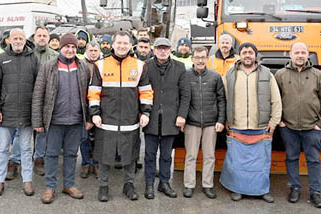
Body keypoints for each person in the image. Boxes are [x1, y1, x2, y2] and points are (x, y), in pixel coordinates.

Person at [88, 31, 154, 202]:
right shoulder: (101, 65)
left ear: (130, 45)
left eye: (125, 43)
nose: (122, 46)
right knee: (105, 155)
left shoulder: (139, 65)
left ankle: (129, 185)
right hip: (106, 120)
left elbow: (146, 91)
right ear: (113, 44)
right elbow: (94, 92)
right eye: (119, 43)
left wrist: (146, 112)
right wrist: (94, 114)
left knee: (130, 155)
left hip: (130, 120)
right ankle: (103, 187)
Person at [32, 33, 93, 204]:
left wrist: (88, 119)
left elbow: (88, 96)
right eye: (67, 46)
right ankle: (50, 187)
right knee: (51, 154)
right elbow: (38, 94)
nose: (70, 50)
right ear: (61, 47)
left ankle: (69, 185)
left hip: (75, 120)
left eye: (73, 47)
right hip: (54, 121)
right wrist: (37, 122)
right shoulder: (49, 67)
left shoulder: (82, 67)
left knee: (72, 154)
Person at [219, 42, 282, 203]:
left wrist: (274, 122)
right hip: (237, 125)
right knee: (237, 163)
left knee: (261, 163)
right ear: (240, 55)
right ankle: (237, 189)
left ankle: (262, 191)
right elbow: (223, 99)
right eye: (244, 52)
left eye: (250, 52)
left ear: (255, 55)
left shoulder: (267, 74)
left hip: (260, 126)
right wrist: (225, 119)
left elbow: (276, 100)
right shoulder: (231, 73)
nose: (247, 55)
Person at [274, 42, 321, 208]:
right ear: (290, 55)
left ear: (308, 55)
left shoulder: (317, 75)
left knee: (313, 160)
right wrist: (280, 121)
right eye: (296, 52)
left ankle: (315, 192)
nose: (300, 55)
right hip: (288, 127)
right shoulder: (280, 74)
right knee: (291, 158)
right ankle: (295, 188)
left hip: (312, 127)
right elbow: (274, 99)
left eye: (303, 52)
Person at [0, 28, 39, 197]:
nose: (18, 41)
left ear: (25, 40)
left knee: (26, 149)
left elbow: (38, 87)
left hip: (26, 112)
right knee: (3, 149)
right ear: (9, 40)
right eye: (15, 38)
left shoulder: (33, 58)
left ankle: (27, 181)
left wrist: (36, 112)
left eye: (21, 38)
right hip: (6, 111)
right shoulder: (1, 59)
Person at [142, 38, 190, 200]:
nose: (162, 51)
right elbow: (141, 91)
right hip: (151, 117)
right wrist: (142, 113)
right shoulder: (146, 66)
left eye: (166, 48)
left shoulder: (179, 67)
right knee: (149, 154)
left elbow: (185, 94)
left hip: (171, 118)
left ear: (171, 50)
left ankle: (164, 182)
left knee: (166, 155)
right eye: (159, 48)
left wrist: (182, 115)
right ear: (154, 50)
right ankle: (149, 183)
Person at [183, 46, 225, 199]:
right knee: (191, 156)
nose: (200, 60)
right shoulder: (185, 76)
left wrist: (221, 120)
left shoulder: (215, 76)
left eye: (203, 57)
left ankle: (207, 185)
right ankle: (189, 185)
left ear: (207, 59)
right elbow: (181, 99)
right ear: (192, 58)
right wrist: (182, 119)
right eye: (197, 57)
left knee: (209, 156)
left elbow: (221, 100)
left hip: (210, 123)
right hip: (191, 123)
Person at [30, 26, 59, 176]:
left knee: (42, 131)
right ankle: (17, 160)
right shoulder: (28, 54)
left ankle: (39, 159)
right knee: (21, 132)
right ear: (34, 37)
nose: (42, 38)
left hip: (46, 99)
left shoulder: (55, 56)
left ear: (48, 38)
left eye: (44, 36)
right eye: (39, 35)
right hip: (27, 97)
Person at [79, 41, 101, 178]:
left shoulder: (104, 64)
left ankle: (97, 163)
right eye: (91, 50)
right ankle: (86, 163)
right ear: (86, 51)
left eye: (95, 50)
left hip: (100, 107)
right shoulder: (80, 65)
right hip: (83, 106)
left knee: (99, 138)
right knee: (84, 138)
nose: (93, 53)